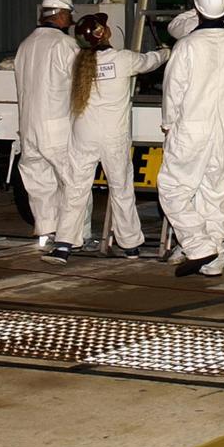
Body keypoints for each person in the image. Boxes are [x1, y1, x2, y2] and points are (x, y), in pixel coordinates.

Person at [44, 14, 169, 265]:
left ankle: (64, 244)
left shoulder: (77, 63)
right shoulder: (123, 59)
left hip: (83, 135)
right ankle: (131, 244)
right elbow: (149, 61)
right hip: (113, 136)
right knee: (120, 189)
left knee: (76, 189)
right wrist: (166, 52)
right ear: (106, 32)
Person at [158, 0, 224, 278]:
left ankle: (198, 246)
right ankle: (214, 260)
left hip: (191, 127)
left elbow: (173, 91)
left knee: (173, 189)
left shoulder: (186, 45)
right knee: (215, 194)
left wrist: (169, 124)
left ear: (197, 8)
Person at [14, 0, 80, 250]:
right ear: (62, 14)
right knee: (72, 182)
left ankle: (45, 233)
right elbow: (81, 82)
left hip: (28, 125)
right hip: (56, 124)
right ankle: (72, 237)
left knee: (38, 182)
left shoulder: (26, 44)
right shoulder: (65, 45)